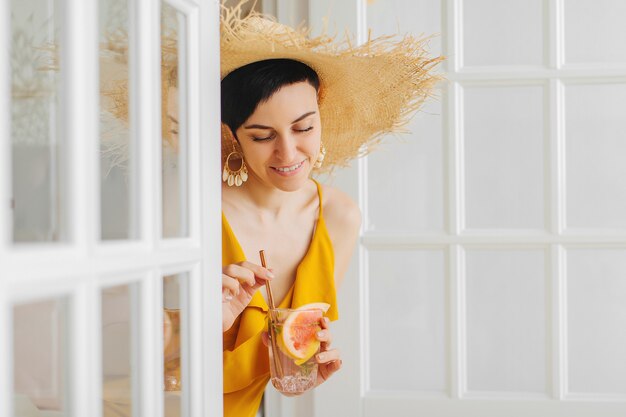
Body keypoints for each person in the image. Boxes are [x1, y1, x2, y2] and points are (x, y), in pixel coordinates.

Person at [218, 3, 442, 417]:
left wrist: (297, 368)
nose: (289, 153)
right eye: (263, 135)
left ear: (321, 110)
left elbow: (279, 367)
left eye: (304, 127)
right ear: (232, 136)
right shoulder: (195, 216)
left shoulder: (339, 217)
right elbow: (150, 358)